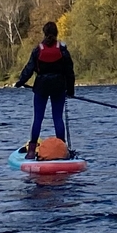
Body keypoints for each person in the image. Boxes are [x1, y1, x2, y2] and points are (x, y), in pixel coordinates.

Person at [15, 21, 76, 158]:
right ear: (56, 33)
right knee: (57, 119)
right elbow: (69, 72)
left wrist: (20, 82)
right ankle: (62, 151)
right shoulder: (63, 50)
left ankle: (31, 152)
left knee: (38, 118)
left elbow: (29, 69)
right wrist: (70, 90)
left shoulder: (38, 50)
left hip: (41, 87)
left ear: (44, 33)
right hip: (58, 87)